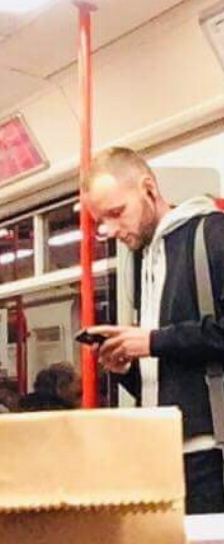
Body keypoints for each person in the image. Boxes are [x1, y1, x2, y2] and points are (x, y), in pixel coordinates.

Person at [82, 146, 224, 514]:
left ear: (149, 189)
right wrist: (128, 366)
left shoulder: (213, 235)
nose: (111, 230)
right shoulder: (145, 261)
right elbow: (171, 372)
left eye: (117, 213)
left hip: (211, 453)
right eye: (102, 221)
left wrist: (153, 341)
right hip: (163, 454)